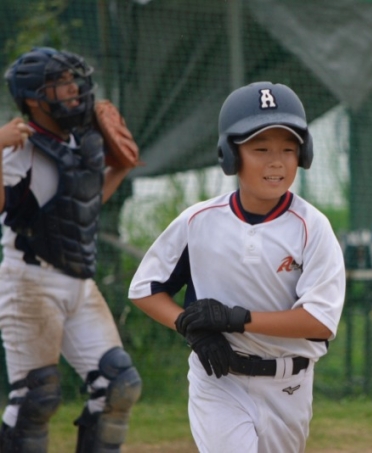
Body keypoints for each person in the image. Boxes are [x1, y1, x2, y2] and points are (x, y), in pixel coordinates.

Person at [128, 81, 346, 452]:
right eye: (260, 148)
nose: (276, 161)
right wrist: (191, 328)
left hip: (288, 386)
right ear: (230, 154)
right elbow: (146, 289)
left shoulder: (312, 227)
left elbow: (319, 322)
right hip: (219, 379)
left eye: (289, 148)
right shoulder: (199, 221)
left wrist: (236, 319)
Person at [0, 47, 142, 452]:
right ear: (34, 99)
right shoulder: (18, 147)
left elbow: (84, 209)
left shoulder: (81, 141)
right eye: (60, 83)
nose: (73, 89)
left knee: (118, 386)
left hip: (78, 281)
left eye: (72, 80)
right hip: (29, 283)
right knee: (36, 398)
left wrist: (122, 166)